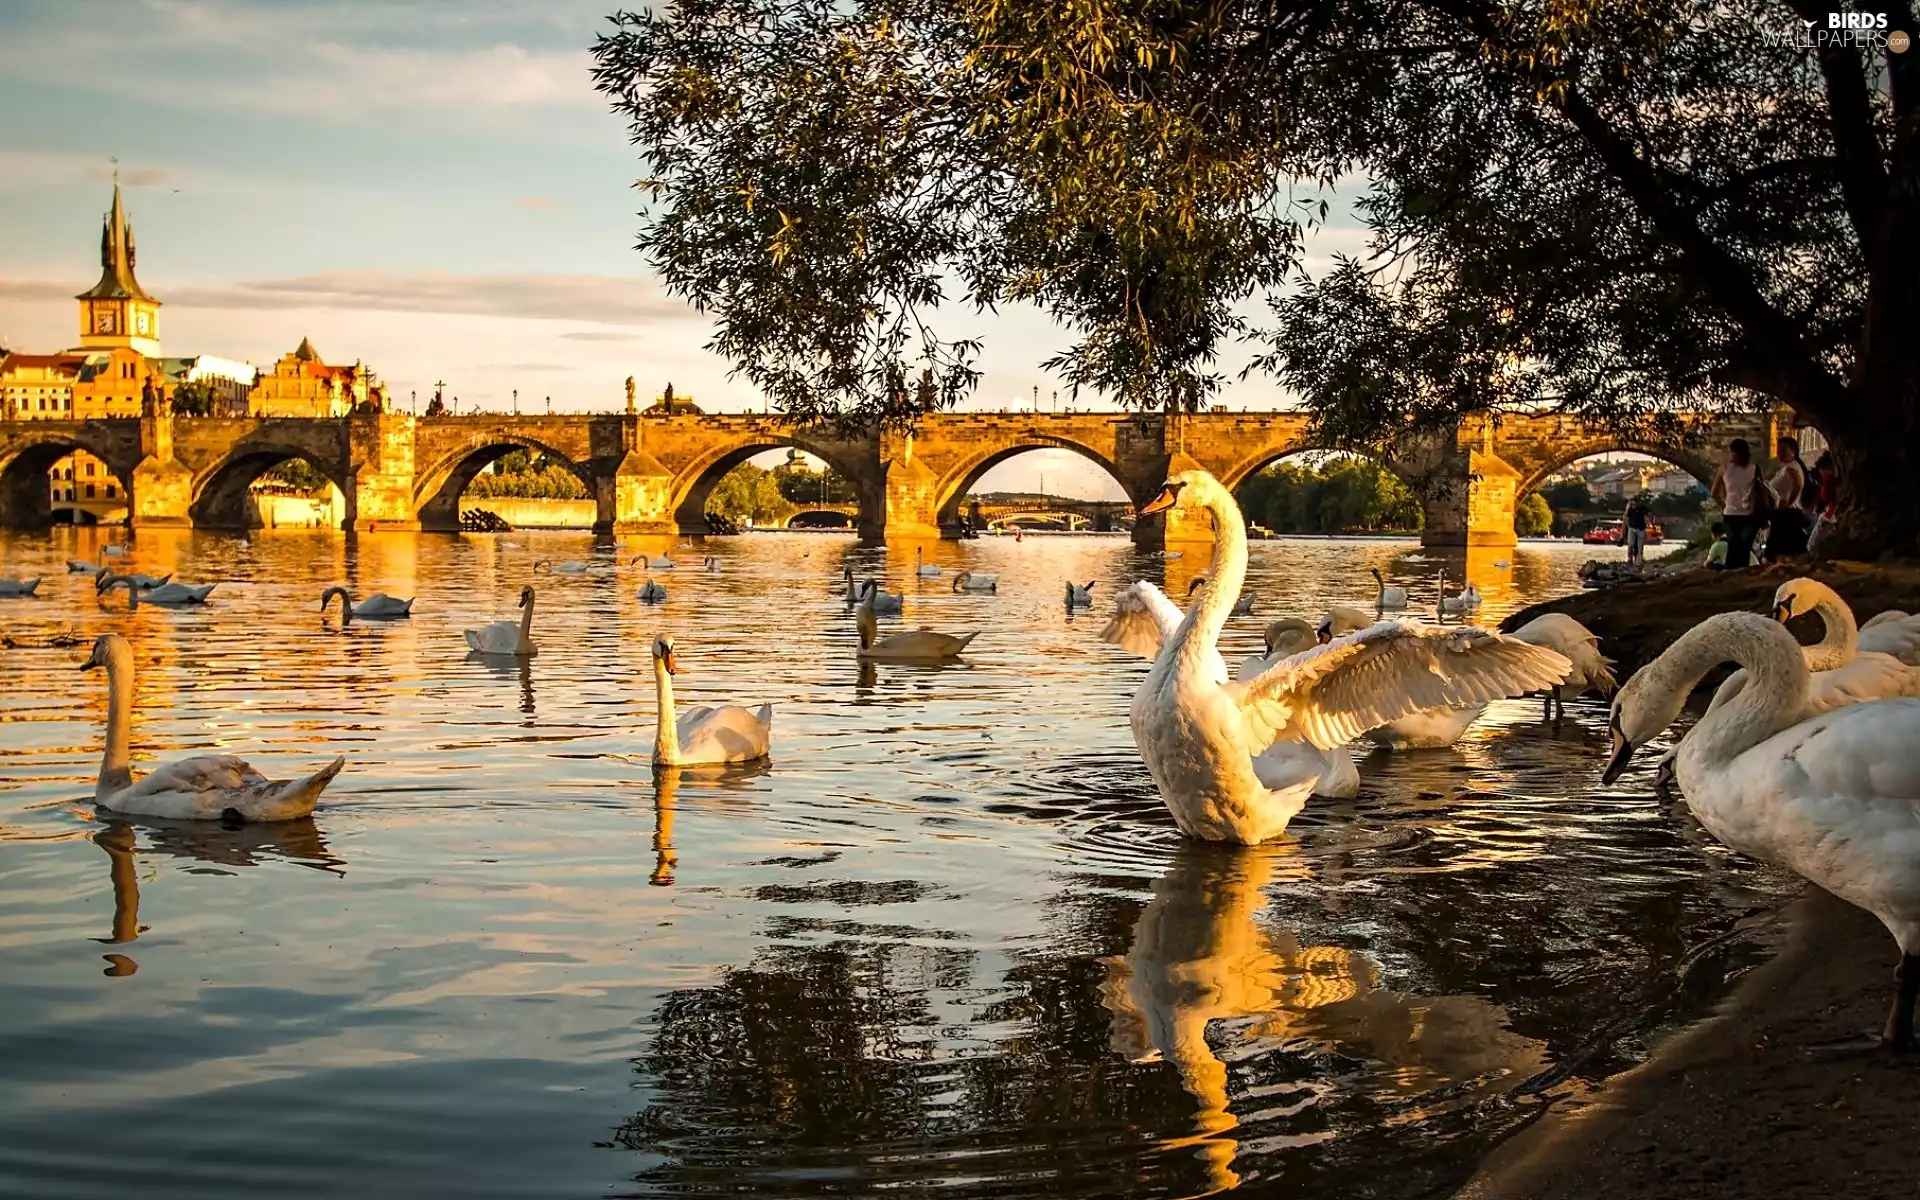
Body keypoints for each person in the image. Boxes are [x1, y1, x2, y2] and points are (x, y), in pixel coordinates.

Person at [1710, 438, 1761, 568]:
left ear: (1734, 452)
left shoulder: (1724, 469)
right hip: (1749, 515)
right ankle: (1743, 574)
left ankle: (1730, 573)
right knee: (1745, 548)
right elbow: (1760, 492)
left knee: (1732, 547)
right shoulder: (1754, 469)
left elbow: (1714, 493)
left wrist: (1724, 506)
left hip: (1731, 515)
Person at [1762, 435, 1809, 561]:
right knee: (1784, 550)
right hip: (1785, 512)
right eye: (1778, 450)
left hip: (1787, 513)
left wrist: (1789, 502)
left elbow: (1798, 484)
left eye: (1783, 450)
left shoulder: (1791, 468)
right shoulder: (1787, 468)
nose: (1780, 454)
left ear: (1793, 451)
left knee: (1782, 548)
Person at [1622, 494, 1649, 565]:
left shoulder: (1643, 508)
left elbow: (1646, 517)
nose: (1636, 502)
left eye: (1637, 501)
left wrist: (1646, 524)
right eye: (1634, 501)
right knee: (1630, 544)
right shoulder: (1629, 509)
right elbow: (1626, 519)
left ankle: (1639, 560)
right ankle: (1629, 559)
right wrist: (1629, 527)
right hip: (1632, 529)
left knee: (1640, 546)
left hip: (1641, 529)